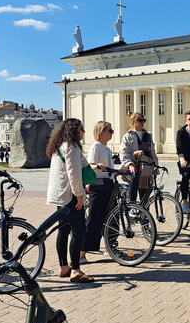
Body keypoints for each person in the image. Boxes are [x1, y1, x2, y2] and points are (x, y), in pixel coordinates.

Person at [46, 118, 93, 282]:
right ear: (74, 130)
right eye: (81, 128)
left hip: (60, 196)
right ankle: (75, 270)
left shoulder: (59, 146)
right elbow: (74, 174)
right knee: (78, 231)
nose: (83, 132)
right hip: (70, 195)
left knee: (64, 230)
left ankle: (64, 267)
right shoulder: (71, 147)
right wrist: (79, 195)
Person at [80, 121, 115, 264]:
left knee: (110, 218)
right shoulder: (96, 147)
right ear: (101, 132)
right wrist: (98, 166)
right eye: (109, 130)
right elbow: (90, 165)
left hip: (108, 185)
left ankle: (109, 247)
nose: (112, 133)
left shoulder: (107, 149)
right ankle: (82, 253)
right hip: (97, 186)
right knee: (94, 219)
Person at [120, 111, 158, 202]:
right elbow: (123, 153)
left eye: (143, 120)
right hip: (133, 165)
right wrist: (130, 164)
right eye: (140, 120)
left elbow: (152, 152)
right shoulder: (128, 136)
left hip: (146, 166)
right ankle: (132, 204)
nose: (142, 123)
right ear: (133, 122)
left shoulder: (148, 135)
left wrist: (156, 166)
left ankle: (144, 211)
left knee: (144, 190)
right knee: (135, 176)